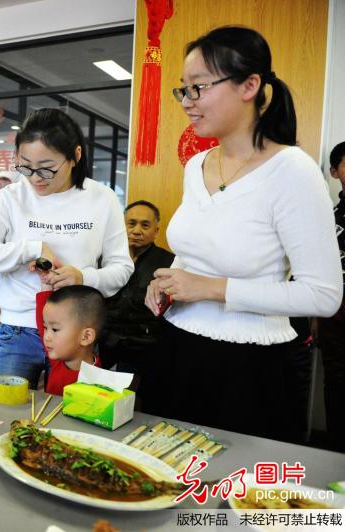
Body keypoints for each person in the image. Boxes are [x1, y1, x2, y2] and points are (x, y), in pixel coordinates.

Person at [144, 26, 342, 441]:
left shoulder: (292, 171)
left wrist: (211, 288)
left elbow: (323, 294)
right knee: (163, 485)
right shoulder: (196, 167)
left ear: (250, 85)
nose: (188, 103)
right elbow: (194, 251)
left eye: (198, 88)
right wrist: (167, 281)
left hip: (250, 367)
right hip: (177, 347)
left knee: (230, 498)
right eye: (184, 90)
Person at [0, 108, 133, 388]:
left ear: (76, 156)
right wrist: (32, 248)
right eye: (25, 166)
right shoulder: (10, 198)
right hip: (18, 330)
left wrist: (83, 277)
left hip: (77, 336)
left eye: (47, 167)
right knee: (7, 413)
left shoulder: (102, 199)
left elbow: (122, 268)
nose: (35, 178)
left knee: (72, 421)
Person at [102, 200, 174, 399]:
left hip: (143, 348)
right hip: (103, 343)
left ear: (156, 229)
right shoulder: (106, 258)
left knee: (129, 402)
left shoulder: (169, 262)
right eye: (131, 223)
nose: (136, 230)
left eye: (145, 225)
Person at [315, 141, 345, 451]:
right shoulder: (327, 217)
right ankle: (337, 451)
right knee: (336, 379)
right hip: (335, 312)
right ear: (335, 171)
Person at [35, 285, 105, 396]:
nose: (46, 336)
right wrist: (46, 285)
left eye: (55, 329)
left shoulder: (96, 383)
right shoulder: (59, 358)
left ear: (86, 337)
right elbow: (42, 319)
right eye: (45, 328)